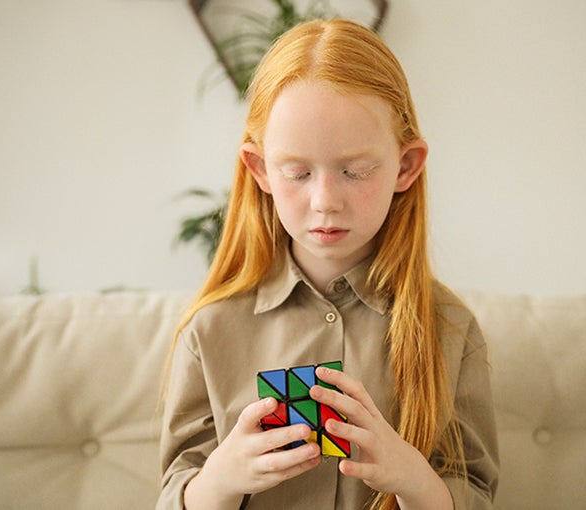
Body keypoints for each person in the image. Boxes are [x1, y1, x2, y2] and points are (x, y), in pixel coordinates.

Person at [157, 18, 499, 510]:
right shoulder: (209, 331)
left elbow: (478, 494)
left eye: (355, 171)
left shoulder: (451, 330)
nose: (325, 201)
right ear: (260, 171)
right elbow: (174, 493)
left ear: (405, 167)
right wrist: (221, 481)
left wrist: (413, 478)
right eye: (297, 172)